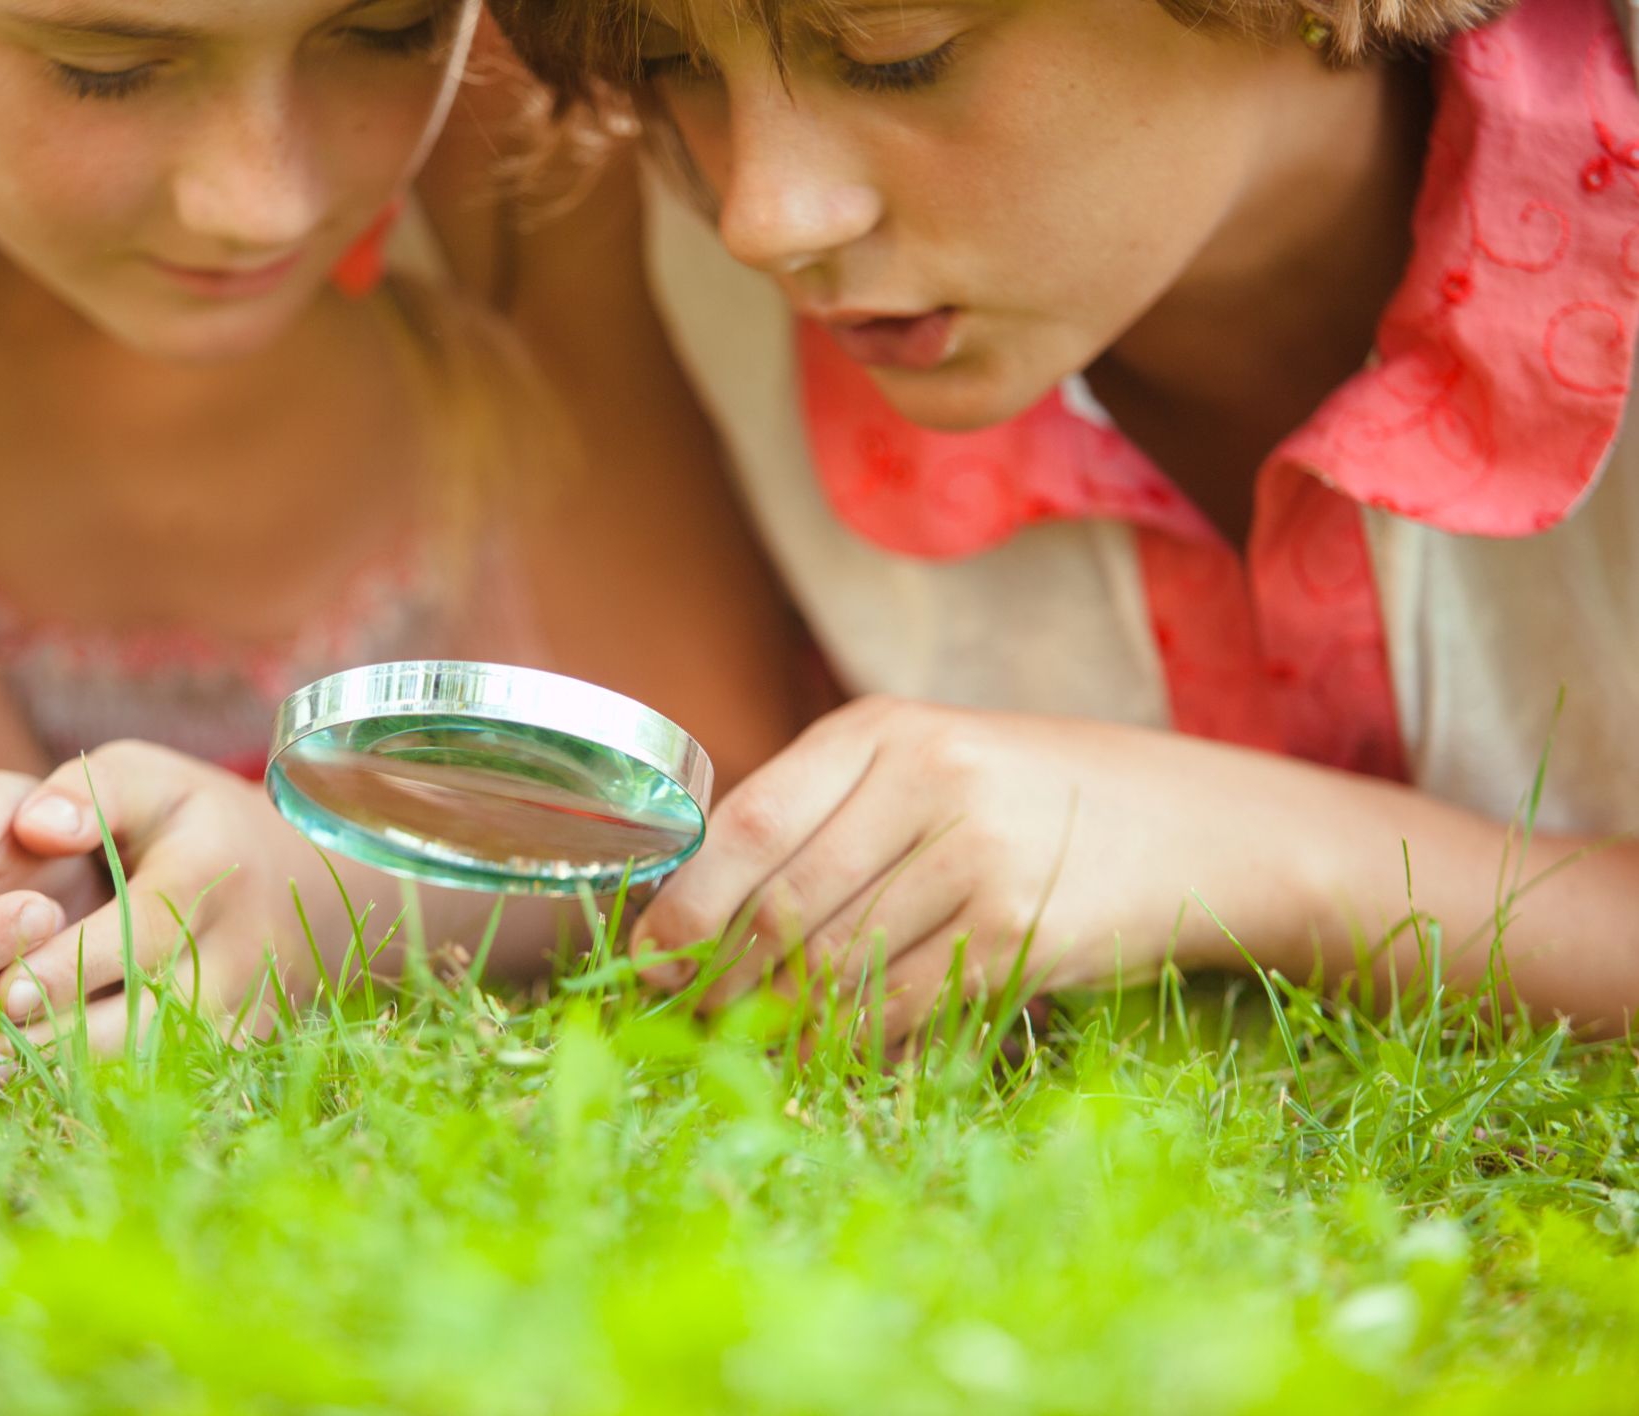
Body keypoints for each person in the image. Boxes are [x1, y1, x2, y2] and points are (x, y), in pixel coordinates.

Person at [0, 0, 815, 1062]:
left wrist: (325, 898)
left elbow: (693, 790)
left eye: (387, 30)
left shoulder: (516, 67)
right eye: (109, 67)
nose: (258, 203)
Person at [477, 0, 1639, 1030]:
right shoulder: (646, 230)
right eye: (675, 61)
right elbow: (664, 801)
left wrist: (1248, 849)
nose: (763, 218)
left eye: (894, 57)